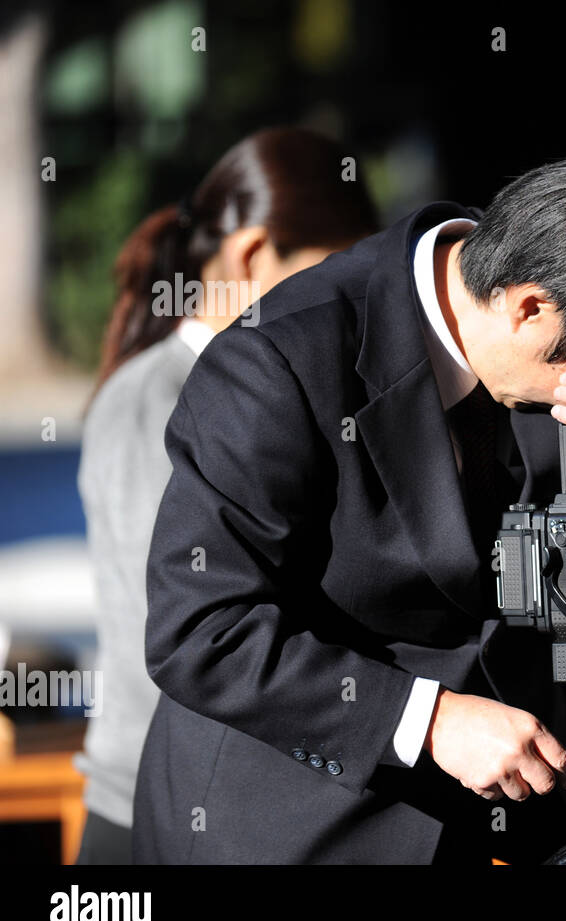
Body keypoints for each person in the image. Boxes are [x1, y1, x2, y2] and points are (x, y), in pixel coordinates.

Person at [132, 153, 566, 864]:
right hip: (290, 824)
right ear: (528, 308)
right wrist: (430, 719)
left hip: (531, 814)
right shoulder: (275, 362)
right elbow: (199, 628)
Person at [74, 127, 380, 864]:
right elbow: (207, 621)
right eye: (330, 275)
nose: (348, 306)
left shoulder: (183, 387)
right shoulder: (175, 400)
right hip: (166, 806)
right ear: (250, 256)